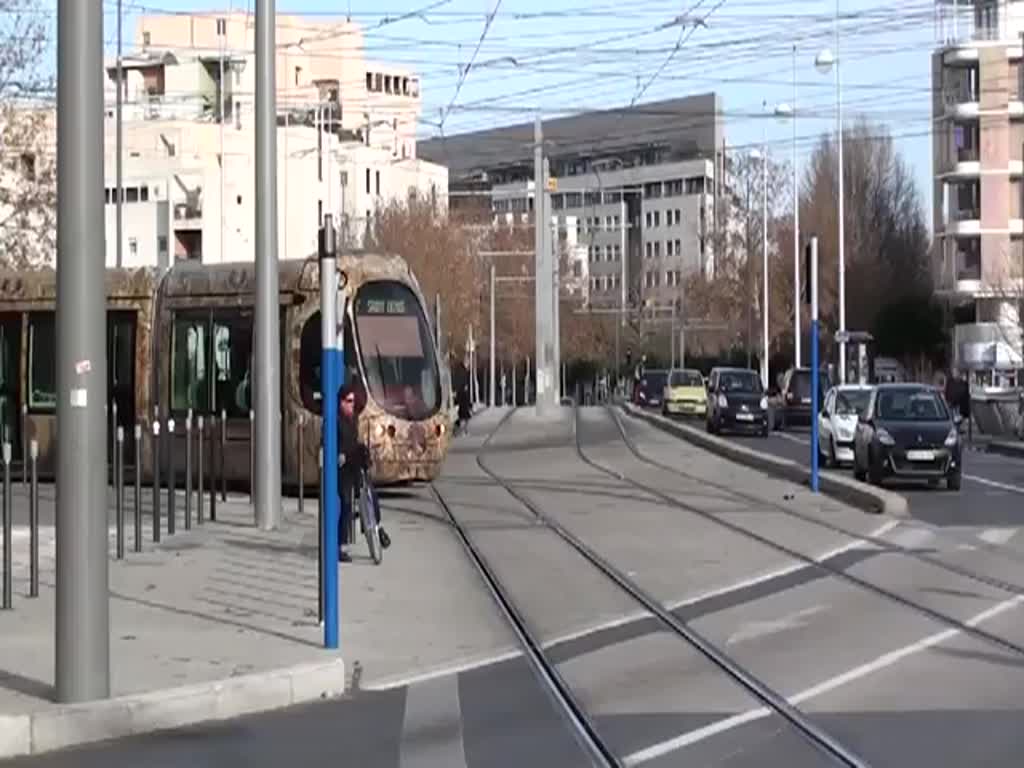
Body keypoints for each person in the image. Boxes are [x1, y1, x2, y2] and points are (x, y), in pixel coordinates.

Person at [338, 381, 390, 563]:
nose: (352, 405)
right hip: (343, 469)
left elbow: (355, 443)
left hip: (354, 465)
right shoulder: (336, 421)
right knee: (345, 502)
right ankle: (341, 545)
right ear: (341, 403)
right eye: (349, 401)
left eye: (353, 401)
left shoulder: (353, 419)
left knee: (370, 494)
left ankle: (377, 526)